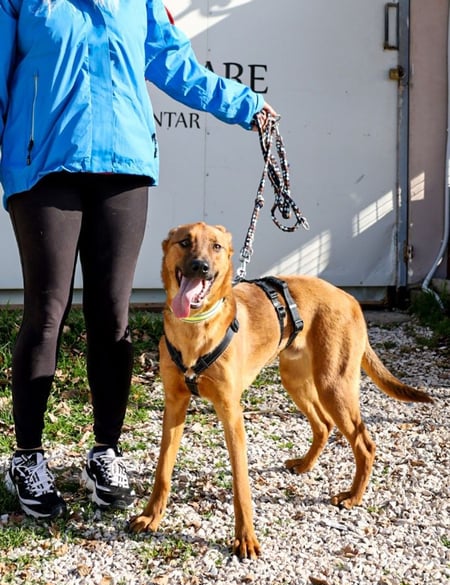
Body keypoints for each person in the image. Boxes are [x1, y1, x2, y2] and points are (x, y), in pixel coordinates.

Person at [0, 0, 277, 519]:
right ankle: (28, 457)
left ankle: (105, 451)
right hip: (42, 165)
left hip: (123, 165)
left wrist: (246, 105)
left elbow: (176, 65)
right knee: (46, 311)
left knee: (112, 314)